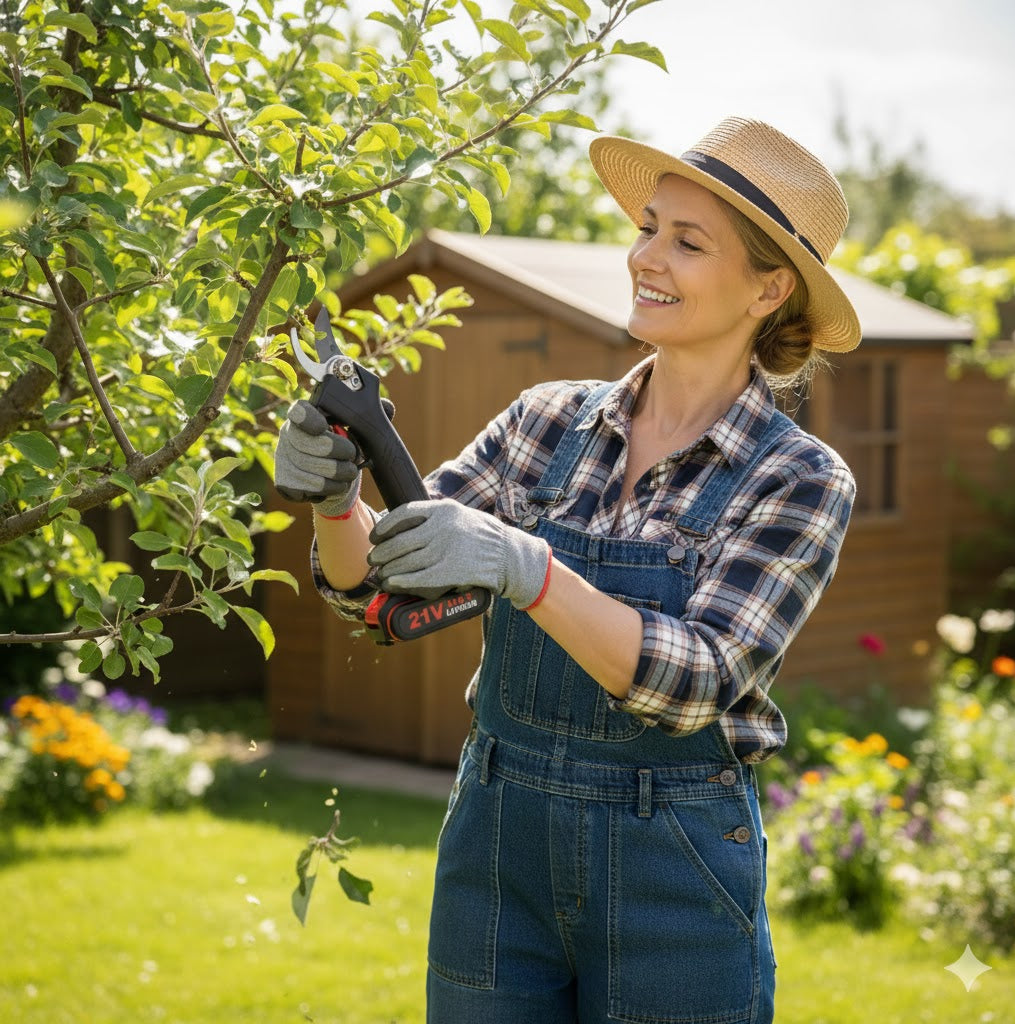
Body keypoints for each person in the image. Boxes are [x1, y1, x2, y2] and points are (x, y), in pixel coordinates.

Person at [274, 116, 860, 1024]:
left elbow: (695, 681)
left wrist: (528, 568)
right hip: (498, 845)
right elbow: (384, 592)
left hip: (676, 860)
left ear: (769, 288)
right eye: (647, 229)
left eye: (686, 241)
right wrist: (337, 498)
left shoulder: (799, 478)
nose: (646, 258)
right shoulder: (547, 422)